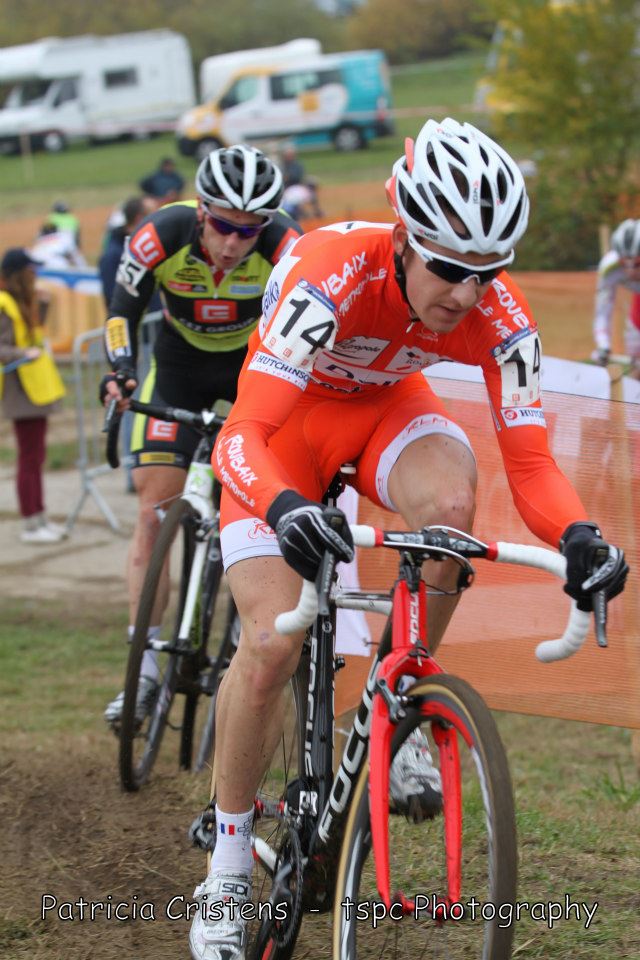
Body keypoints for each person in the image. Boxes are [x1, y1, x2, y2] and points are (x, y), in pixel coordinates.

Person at [188, 117, 629, 960]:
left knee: (453, 504)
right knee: (269, 644)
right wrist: (284, 508)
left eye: (487, 271)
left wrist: (578, 533)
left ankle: (401, 700)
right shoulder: (330, 273)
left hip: (386, 413)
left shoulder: (502, 316)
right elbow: (241, 433)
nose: (466, 294)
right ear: (405, 236)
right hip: (281, 432)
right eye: (450, 269)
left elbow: (530, 464)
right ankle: (229, 865)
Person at [100, 145, 303, 730]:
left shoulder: (286, 248)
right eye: (222, 225)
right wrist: (118, 368)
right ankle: (141, 671)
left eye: (250, 229)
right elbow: (121, 310)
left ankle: (245, 635)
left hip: (253, 372)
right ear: (200, 211)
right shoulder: (159, 233)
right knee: (153, 510)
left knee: (262, 514)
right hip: (178, 369)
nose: (235, 241)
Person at [0, 248, 67, 544]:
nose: (35, 275)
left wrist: (42, 306)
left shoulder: (20, 301)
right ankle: (31, 523)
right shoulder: (4, 304)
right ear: (18, 274)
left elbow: (34, 332)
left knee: (35, 457)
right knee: (29, 459)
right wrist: (22, 354)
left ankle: (39, 516)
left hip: (35, 389)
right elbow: (5, 347)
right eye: (31, 270)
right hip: (20, 391)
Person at [592, 217, 640, 377]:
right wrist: (603, 346)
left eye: (637, 264)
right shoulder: (609, 268)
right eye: (624, 263)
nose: (631, 271)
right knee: (637, 366)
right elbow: (602, 312)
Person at [98, 196, 155, 308]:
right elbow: (112, 296)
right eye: (152, 215)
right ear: (139, 218)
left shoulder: (148, 248)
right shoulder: (113, 255)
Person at [280, 142, 322, 219]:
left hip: (298, 187)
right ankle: (301, 214)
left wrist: (289, 177)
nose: (290, 156)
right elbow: (283, 180)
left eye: (291, 154)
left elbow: (298, 177)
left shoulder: (298, 165)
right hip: (288, 189)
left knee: (310, 187)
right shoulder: (282, 166)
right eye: (288, 154)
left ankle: (317, 212)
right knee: (293, 199)